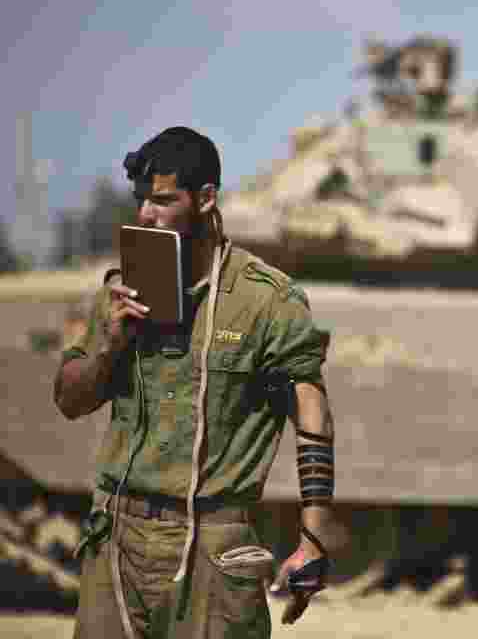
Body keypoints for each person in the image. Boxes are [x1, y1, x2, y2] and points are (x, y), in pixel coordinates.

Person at [54, 126, 334, 638]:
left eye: (163, 200)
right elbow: (70, 399)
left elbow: (311, 410)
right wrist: (113, 344)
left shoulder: (266, 300)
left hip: (213, 548)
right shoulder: (121, 291)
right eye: (142, 200)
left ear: (206, 199)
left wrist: (315, 538)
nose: (145, 214)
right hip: (117, 537)